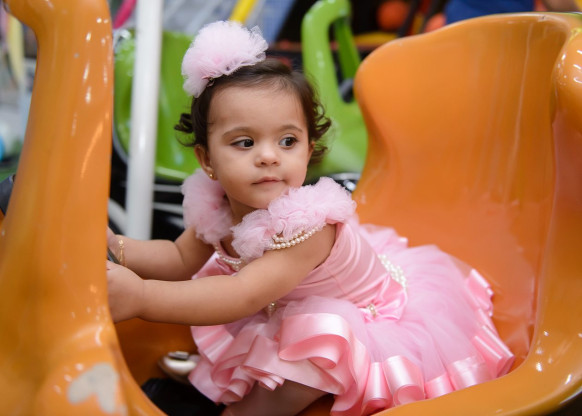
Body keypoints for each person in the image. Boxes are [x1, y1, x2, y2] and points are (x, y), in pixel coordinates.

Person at [106, 20, 514, 416]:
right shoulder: (216, 206)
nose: (269, 156)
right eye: (245, 143)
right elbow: (179, 259)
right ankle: (222, 376)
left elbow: (242, 295)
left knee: (313, 354)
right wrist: (113, 246)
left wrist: (142, 297)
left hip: (363, 320)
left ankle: (250, 412)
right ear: (207, 159)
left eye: (288, 141)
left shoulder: (307, 228)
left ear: (309, 148)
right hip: (288, 304)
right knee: (241, 304)